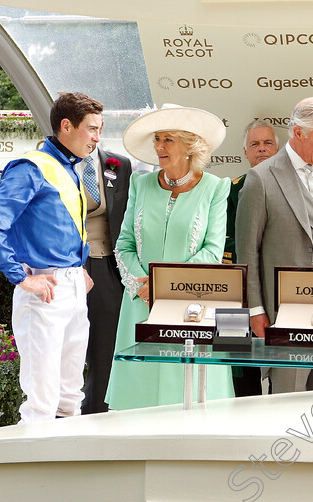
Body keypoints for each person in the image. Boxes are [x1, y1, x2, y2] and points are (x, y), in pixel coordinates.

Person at [0, 92, 101, 423]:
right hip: (44, 289)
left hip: (70, 287)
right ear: (67, 126)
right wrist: (22, 277)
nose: (97, 138)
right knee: (42, 402)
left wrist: (78, 268)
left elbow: (60, 228)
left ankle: (69, 473)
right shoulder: (32, 167)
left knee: (70, 397)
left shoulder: (69, 167)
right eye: (92, 129)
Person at [105, 104, 233, 410]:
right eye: (157, 139)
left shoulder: (215, 188)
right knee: (138, 399)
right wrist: (141, 285)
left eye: (168, 139)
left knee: (190, 397)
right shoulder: (140, 184)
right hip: (141, 303)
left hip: (191, 306)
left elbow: (213, 252)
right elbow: (123, 244)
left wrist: (167, 286)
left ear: (189, 145)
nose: (159, 146)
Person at [235, 97, 313, 394]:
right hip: (282, 317)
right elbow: (247, 252)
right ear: (298, 133)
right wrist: (256, 310)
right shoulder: (260, 178)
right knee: (288, 402)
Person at [224, 119, 279, 398]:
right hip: (235, 292)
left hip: (278, 289)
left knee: (284, 370)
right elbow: (222, 243)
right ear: (245, 152)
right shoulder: (230, 190)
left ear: (278, 148)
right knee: (237, 370)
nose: (262, 149)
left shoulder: (290, 187)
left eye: (268, 143)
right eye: (255, 144)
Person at [80, 145, 132, 414]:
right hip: (67, 266)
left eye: (99, 128)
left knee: (105, 350)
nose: (95, 136)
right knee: (65, 350)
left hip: (107, 264)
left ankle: (97, 413)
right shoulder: (52, 164)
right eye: (90, 128)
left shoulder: (118, 164)